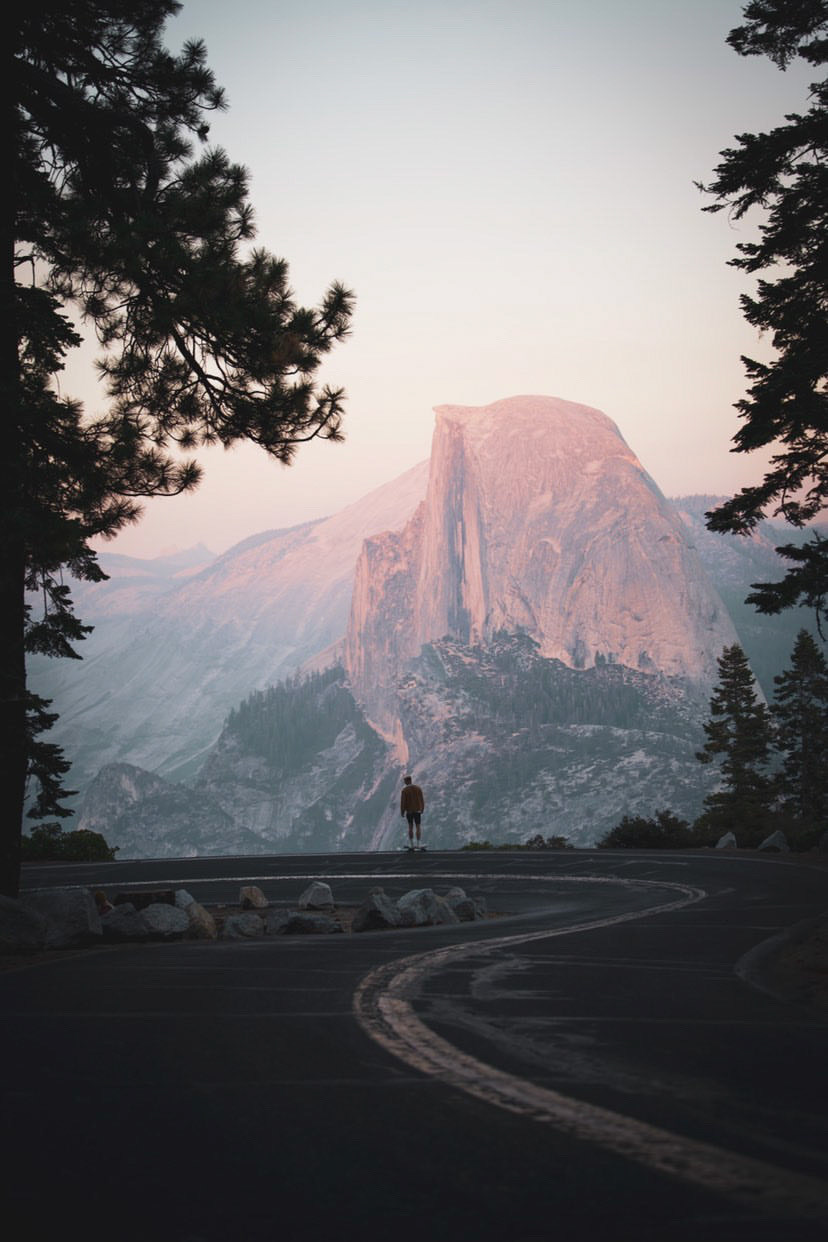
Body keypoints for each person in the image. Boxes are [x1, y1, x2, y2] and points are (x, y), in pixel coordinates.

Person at [400, 775, 425, 849]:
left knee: (410, 826)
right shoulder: (418, 788)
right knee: (418, 826)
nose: (404, 782)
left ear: (408, 781)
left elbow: (403, 802)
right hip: (417, 810)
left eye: (405, 781)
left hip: (409, 811)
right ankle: (418, 844)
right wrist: (422, 808)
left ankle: (412, 844)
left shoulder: (404, 790)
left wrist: (402, 811)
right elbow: (422, 799)